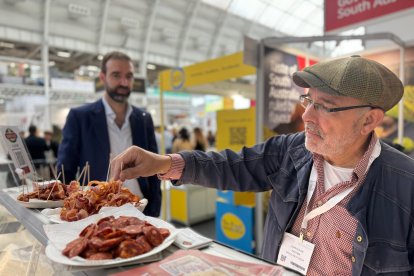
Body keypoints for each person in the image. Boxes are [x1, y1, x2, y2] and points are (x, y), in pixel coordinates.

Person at [110, 55, 414, 274]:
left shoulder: (405, 186)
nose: (307, 116)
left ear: (370, 120)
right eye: (309, 101)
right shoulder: (291, 151)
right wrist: (163, 162)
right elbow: (233, 166)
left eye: (326, 107)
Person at [57, 51, 161, 217]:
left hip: (141, 210)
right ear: (102, 77)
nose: (124, 82)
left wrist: (154, 209)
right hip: (97, 215)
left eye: (129, 76)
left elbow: (154, 168)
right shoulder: (80, 117)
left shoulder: (143, 119)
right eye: (116, 75)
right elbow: (65, 171)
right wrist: (72, 212)